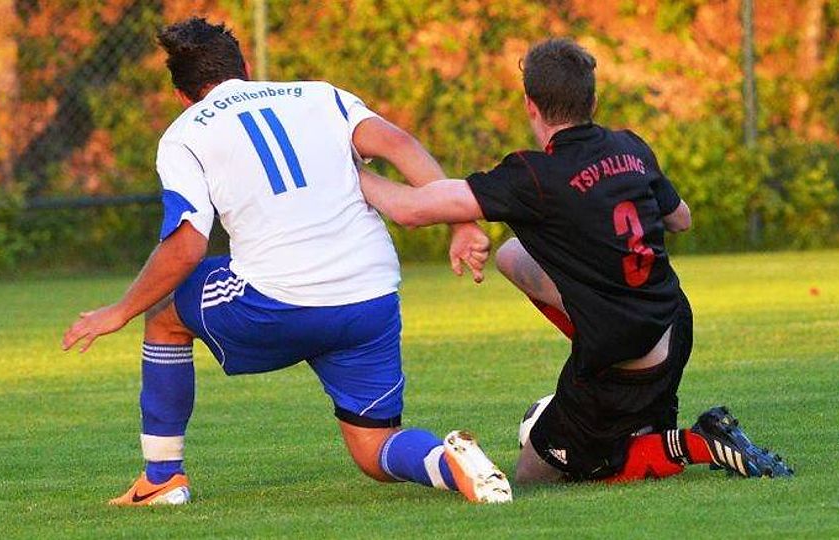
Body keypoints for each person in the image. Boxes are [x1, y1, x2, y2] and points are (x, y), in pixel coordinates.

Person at [61, 17, 511, 505]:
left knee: (165, 313)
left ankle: (162, 480)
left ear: (182, 95)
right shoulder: (321, 95)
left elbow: (188, 244)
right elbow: (399, 144)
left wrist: (119, 310)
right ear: (246, 69)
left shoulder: (184, 132)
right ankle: (452, 464)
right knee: (373, 449)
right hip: (370, 296)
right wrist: (459, 223)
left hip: (277, 301)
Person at [358, 38, 793, 484]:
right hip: (672, 325)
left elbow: (411, 209)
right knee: (512, 254)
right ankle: (624, 403)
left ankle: (701, 441)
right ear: (593, 100)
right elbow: (681, 219)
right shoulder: (631, 148)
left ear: (531, 105)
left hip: (626, 361)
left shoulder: (534, 176)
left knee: (537, 475)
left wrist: (350, 171)